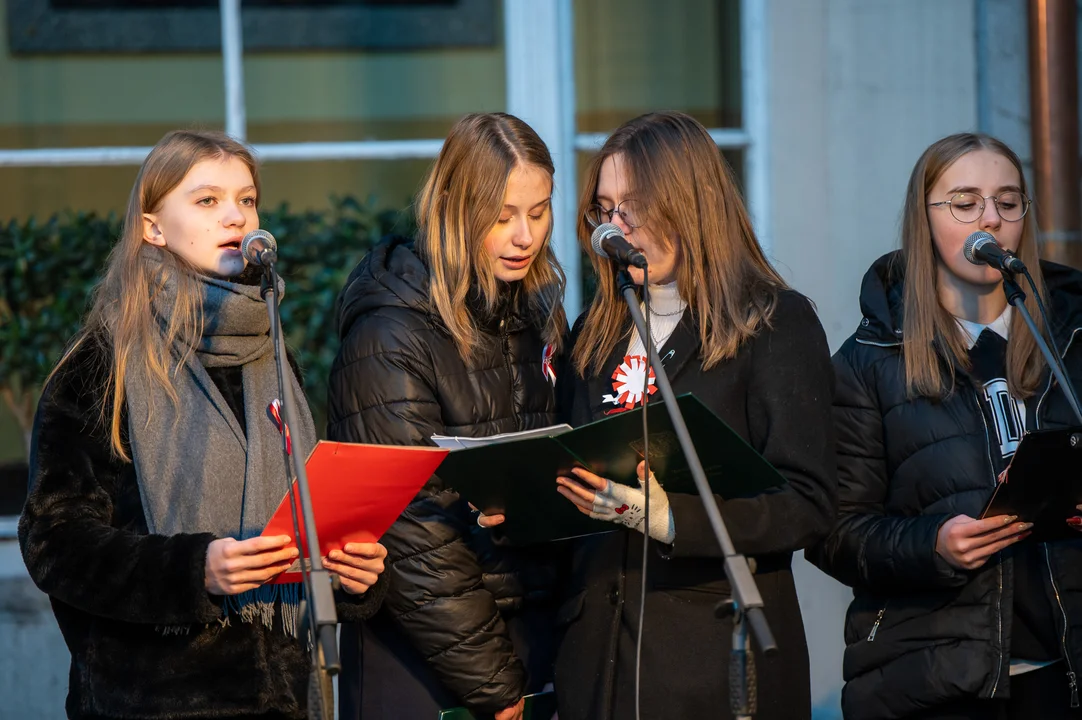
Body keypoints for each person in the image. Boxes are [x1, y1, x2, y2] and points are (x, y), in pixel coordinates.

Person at [19, 129, 387, 720]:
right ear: (152, 228)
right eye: (207, 200)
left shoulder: (270, 347)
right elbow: (53, 543)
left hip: (287, 697)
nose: (235, 217)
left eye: (246, 199)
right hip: (152, 701)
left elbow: (298, 521)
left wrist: (350, 572)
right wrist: (195, 570)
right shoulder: (100, 364)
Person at [551, 111, 837, 720]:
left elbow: (806, 504)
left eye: (633, 207)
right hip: (597, 662)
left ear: (691, 203)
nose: (614, 227)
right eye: (604, 209)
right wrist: (519, 502)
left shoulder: (772, 323)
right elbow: (575, 476)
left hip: (709, 660)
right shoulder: (593, 333)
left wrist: (668, 517)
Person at [807, 132, 1082, 719]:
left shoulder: (1071, 341)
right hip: (934, 678)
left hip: (1065, 672)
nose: (991, 219)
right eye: (965, 202)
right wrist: (931, 545)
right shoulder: (868, 361)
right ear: (924, 219)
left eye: (1008, 203)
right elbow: (833, 530)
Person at [328, 112, 568, 720]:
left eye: (538, 212)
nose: (524, 236)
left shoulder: (535, 310)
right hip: (422, 657)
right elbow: (411, 528)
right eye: (501, 215)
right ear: (455, 209)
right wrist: (496, 685)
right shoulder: (390, 333)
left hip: (526, 636)